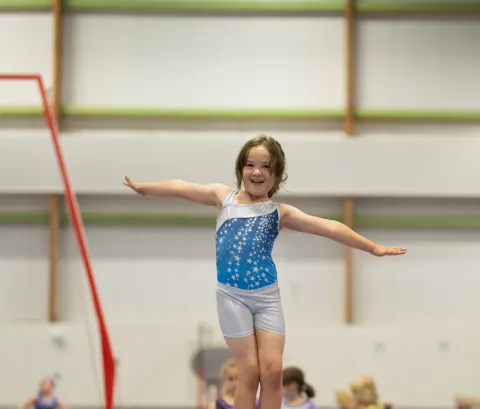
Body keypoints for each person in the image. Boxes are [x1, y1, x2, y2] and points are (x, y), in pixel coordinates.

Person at [123, 134, 406, 409]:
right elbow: (181, 187)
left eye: (266, 167)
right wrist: (145, 188)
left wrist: (372, 248)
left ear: (277, 175)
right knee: (249, 370)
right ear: (240, 169)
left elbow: (329, 227)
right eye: (250, 165)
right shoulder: (224, 198)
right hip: (232, 297)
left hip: (267, 297)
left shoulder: (279, 212)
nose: (257, 172)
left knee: (272, 370)